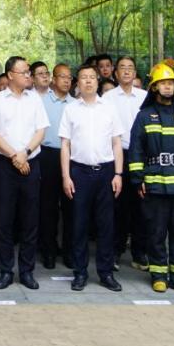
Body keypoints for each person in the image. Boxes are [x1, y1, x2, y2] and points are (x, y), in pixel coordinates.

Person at [127, 62, 174, 293]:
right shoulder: (144, 116)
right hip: (156, 185)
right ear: (154, 88)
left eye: (171, 83)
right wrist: (137, 179)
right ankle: (159, 275)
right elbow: (136, 150)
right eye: (163, 83)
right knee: (156, 233)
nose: (168, 87)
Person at [0, 57, 50, 290]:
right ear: (10, 75)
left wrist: (25, 153)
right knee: (5, 220)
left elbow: (41, 130)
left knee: (30, 220)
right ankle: (5, 271)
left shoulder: (35, 99)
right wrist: (15, 156)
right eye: (24, 72)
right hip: (6, 165)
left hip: (31, 163)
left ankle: (27, 271)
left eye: (29, 72)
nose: (28, 76)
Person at [59, 65, 124, 292]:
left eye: (92, 78)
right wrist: (66, 176)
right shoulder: (70, 109)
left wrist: (118, 174)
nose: (88, 81)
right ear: (77, 83)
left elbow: (117, 143)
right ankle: (80, 272)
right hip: (79, 172)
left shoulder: (109, 108)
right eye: (83, 78)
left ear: (98, 81)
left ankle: (106, 273)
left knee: (106, 225)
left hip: (106, 172)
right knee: (79, 225)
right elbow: (65, 145)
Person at [105, 57, 149, 271]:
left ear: (135, 72)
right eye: (122, 67)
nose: (126, 71)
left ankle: (139, 253)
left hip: (141, 155)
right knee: (118, 206)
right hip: (118, 153)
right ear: (116, 73)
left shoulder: (144, 96)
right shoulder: (108, 97)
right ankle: (115, 250)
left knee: (141, 205)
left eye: (130, 68)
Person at [36, 62, 74, 269]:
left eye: (69, 77)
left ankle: (69, 252)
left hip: (71, 156)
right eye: (62, 76)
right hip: (48, 155)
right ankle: (48, 251)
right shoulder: (41, 102)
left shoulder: (76, 104)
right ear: (53, 79)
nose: (67, 80)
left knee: (71, 206)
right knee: (48, 206)